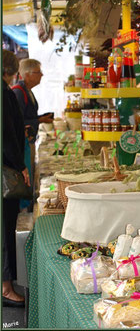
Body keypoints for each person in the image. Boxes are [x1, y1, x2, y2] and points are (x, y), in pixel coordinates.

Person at [2, 50, 30, 306]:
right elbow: (7, 136)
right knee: (4, 228)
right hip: (5, 171)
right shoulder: (4, 93)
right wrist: (21, 165)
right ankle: (6, 288)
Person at [12, 59, 53, 196]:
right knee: (25, 173)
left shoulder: (27, 90)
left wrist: (40, 118)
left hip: (28, 140)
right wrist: (40, 119)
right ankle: (24, 201)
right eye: (38, 72)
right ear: (27, 75)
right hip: (22, 141)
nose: (41, 75)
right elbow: (18, 120)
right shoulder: (18, 92)